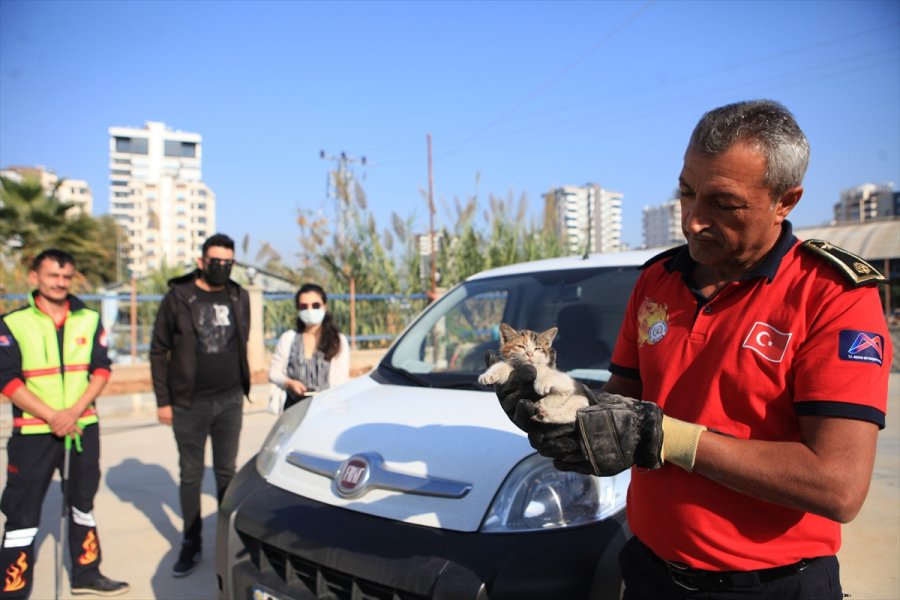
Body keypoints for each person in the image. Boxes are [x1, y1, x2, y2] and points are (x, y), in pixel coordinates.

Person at [492, 100, 891, 599]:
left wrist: (667, 438)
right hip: (649, 574)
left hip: (770, 587)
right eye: (685, 193)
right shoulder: (656, 281)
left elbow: (837, 486)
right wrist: (565, 417)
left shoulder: (833, 295)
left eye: (723, 205)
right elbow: (621, 410)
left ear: (786, 201)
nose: (693, 221)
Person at [0, 249, 129, 598]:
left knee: (82, 502)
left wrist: (73, 412)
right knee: (21, 510)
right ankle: (12, 586)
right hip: (33, 433)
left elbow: (101, 369)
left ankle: (86, 573)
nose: (59, 283)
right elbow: (7, 380)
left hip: (81, 427)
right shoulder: (14, 323)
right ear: (35, 278)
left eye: (66, 277)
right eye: (52, 276)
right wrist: (52, 415)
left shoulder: (88, 318)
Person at [150, 233, 250, 578]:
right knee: (191, 475)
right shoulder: (179, 298)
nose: (221, 267)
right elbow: (158, 350)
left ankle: (227, 542)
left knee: (227, 473)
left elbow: (243, 339)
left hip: (229, 401)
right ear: (201, 261)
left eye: (227, 262)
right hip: (188, 404)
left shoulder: (239, 296)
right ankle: (191, 543)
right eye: (215, 261)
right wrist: (164, 401)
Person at [268, 283, 350, 412]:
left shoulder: (337, 340)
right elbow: (274, 373)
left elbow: (339, 381)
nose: (310, 310)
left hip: (325, 409)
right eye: (304, 306)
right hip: (293, 408)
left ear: (324, 306)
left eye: (315, 305)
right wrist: (290, 383)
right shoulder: (289, 338)